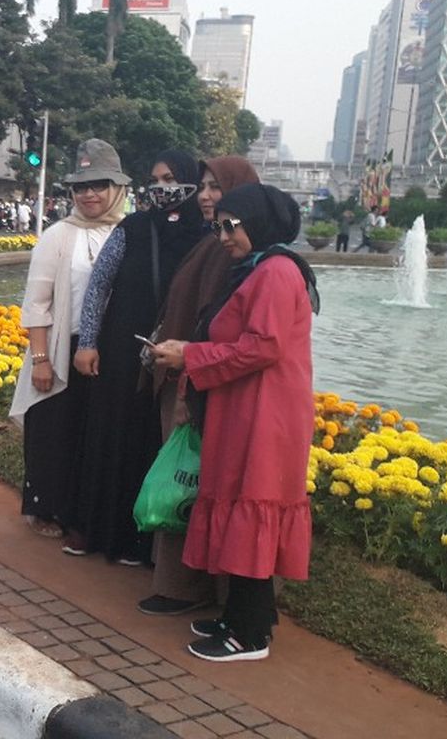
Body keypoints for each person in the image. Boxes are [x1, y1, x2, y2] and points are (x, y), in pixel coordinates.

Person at [151, 183, 318, 662]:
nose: (222, 235)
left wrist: (190, 354)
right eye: (218, 225)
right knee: (244, 507)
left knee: (252, 509)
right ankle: (248, 618)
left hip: (263, 414)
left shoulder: (276, 272)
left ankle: (247, 636)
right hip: (246, 407)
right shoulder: (259, 268)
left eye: (230, 225)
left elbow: (262, 346)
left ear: (258, 224)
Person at [137, 155, 260, 617]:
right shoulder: (215, 243)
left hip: (203, 381)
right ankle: (183, 582)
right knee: (186, 479)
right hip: (188, 375)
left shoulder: (243, 255)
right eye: (203, 186)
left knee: (191, 481)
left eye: (216, 188)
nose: (206, 196)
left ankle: (190, 588)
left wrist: (189, 374)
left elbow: (228, 331)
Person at [70, 147, 205, 564]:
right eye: (156, 179)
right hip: (121, 351)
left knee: (153, 441)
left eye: (170, 179)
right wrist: (87, 342)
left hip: (175, 358)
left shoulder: (208, 236)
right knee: (111, 436)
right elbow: (98, 286)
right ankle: (96, 530)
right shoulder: (132, 227)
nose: (162, 188)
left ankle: (142, 544)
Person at [9, 143, 124, 538]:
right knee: (52, 430)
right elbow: (36, 303)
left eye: (99, 185)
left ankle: (78, 508)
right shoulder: (58, 236)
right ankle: (43, 508)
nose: (89, 194)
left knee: (88, 434)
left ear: (117, 188)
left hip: (106, 352)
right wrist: (41, 360)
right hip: (59, 347)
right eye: (81, 187)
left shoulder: (126, 233)